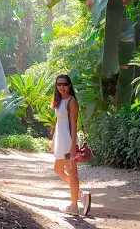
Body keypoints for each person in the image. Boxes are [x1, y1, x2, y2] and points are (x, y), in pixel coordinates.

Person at [50, 74, 91, 216]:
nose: (62, 87)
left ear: (69, 85)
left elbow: (74, 125)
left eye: (65, 84)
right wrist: (53, 140)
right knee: (57, 169)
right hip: (61, 141)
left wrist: (72, 146)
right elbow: (58, 122)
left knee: (72, 172)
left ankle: (74, 206)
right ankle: (79, 193)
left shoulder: (71, 101)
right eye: (59, 84)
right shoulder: (58, 100)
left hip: (69, 140)